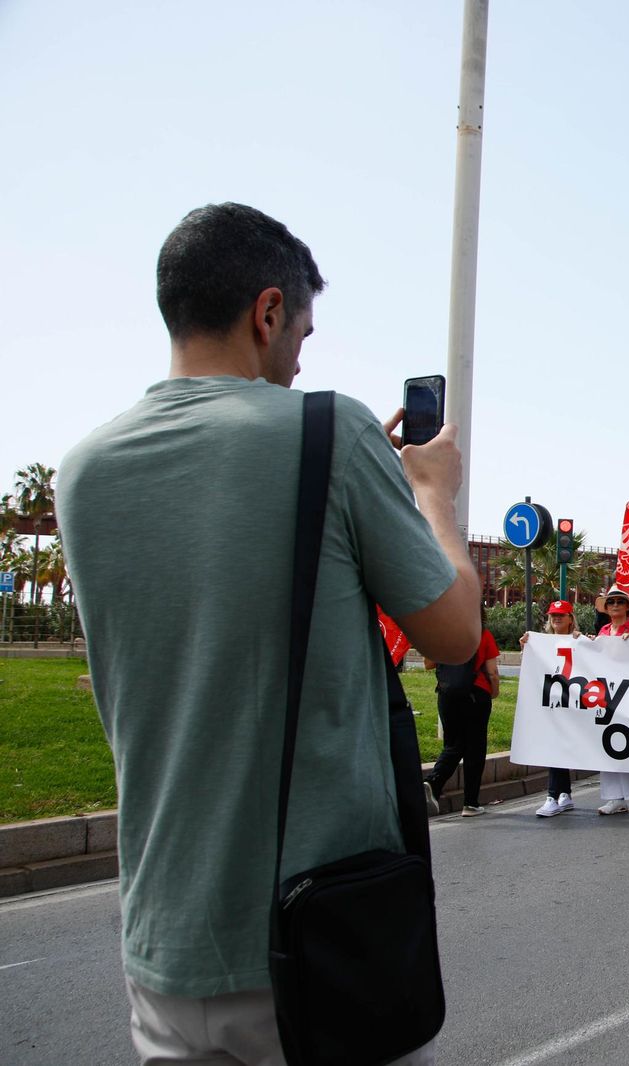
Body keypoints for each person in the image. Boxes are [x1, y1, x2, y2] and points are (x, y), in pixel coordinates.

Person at [56, 203, 480, 1065]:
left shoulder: (83, 468)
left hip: (164, 945)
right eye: (302, 333)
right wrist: (428, 494)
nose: (298, 361)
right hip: (317, 934)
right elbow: (454, 634)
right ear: (268, 311)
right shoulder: (330, 428)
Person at [423, 607, 501, 817]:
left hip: (447, 695)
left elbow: (428, 664)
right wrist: (494, 693)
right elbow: (492, 672)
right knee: (475, 748)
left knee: (453, 744)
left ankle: (433, 785)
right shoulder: (483, 635)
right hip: (476, 695)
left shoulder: (444, 634)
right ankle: (470, 803)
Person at [593, 585, 629, 815]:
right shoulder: (603, 631)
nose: (615, 605)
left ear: (628, 606)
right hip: (606, 695)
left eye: (619, 601)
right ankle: (614, 797)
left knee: (626, 744)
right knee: (606, 745)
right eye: (611, 602)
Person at [533, 600, 582, 818]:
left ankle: (554, 796)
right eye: (553, 615)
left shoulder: (579, 640)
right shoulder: (541, 642)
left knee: (558, 747)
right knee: (556, 746)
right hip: (551, 703)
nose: (556, 619)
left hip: (572, 702)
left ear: (571, 619)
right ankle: (562, 794)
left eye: (561, 615)